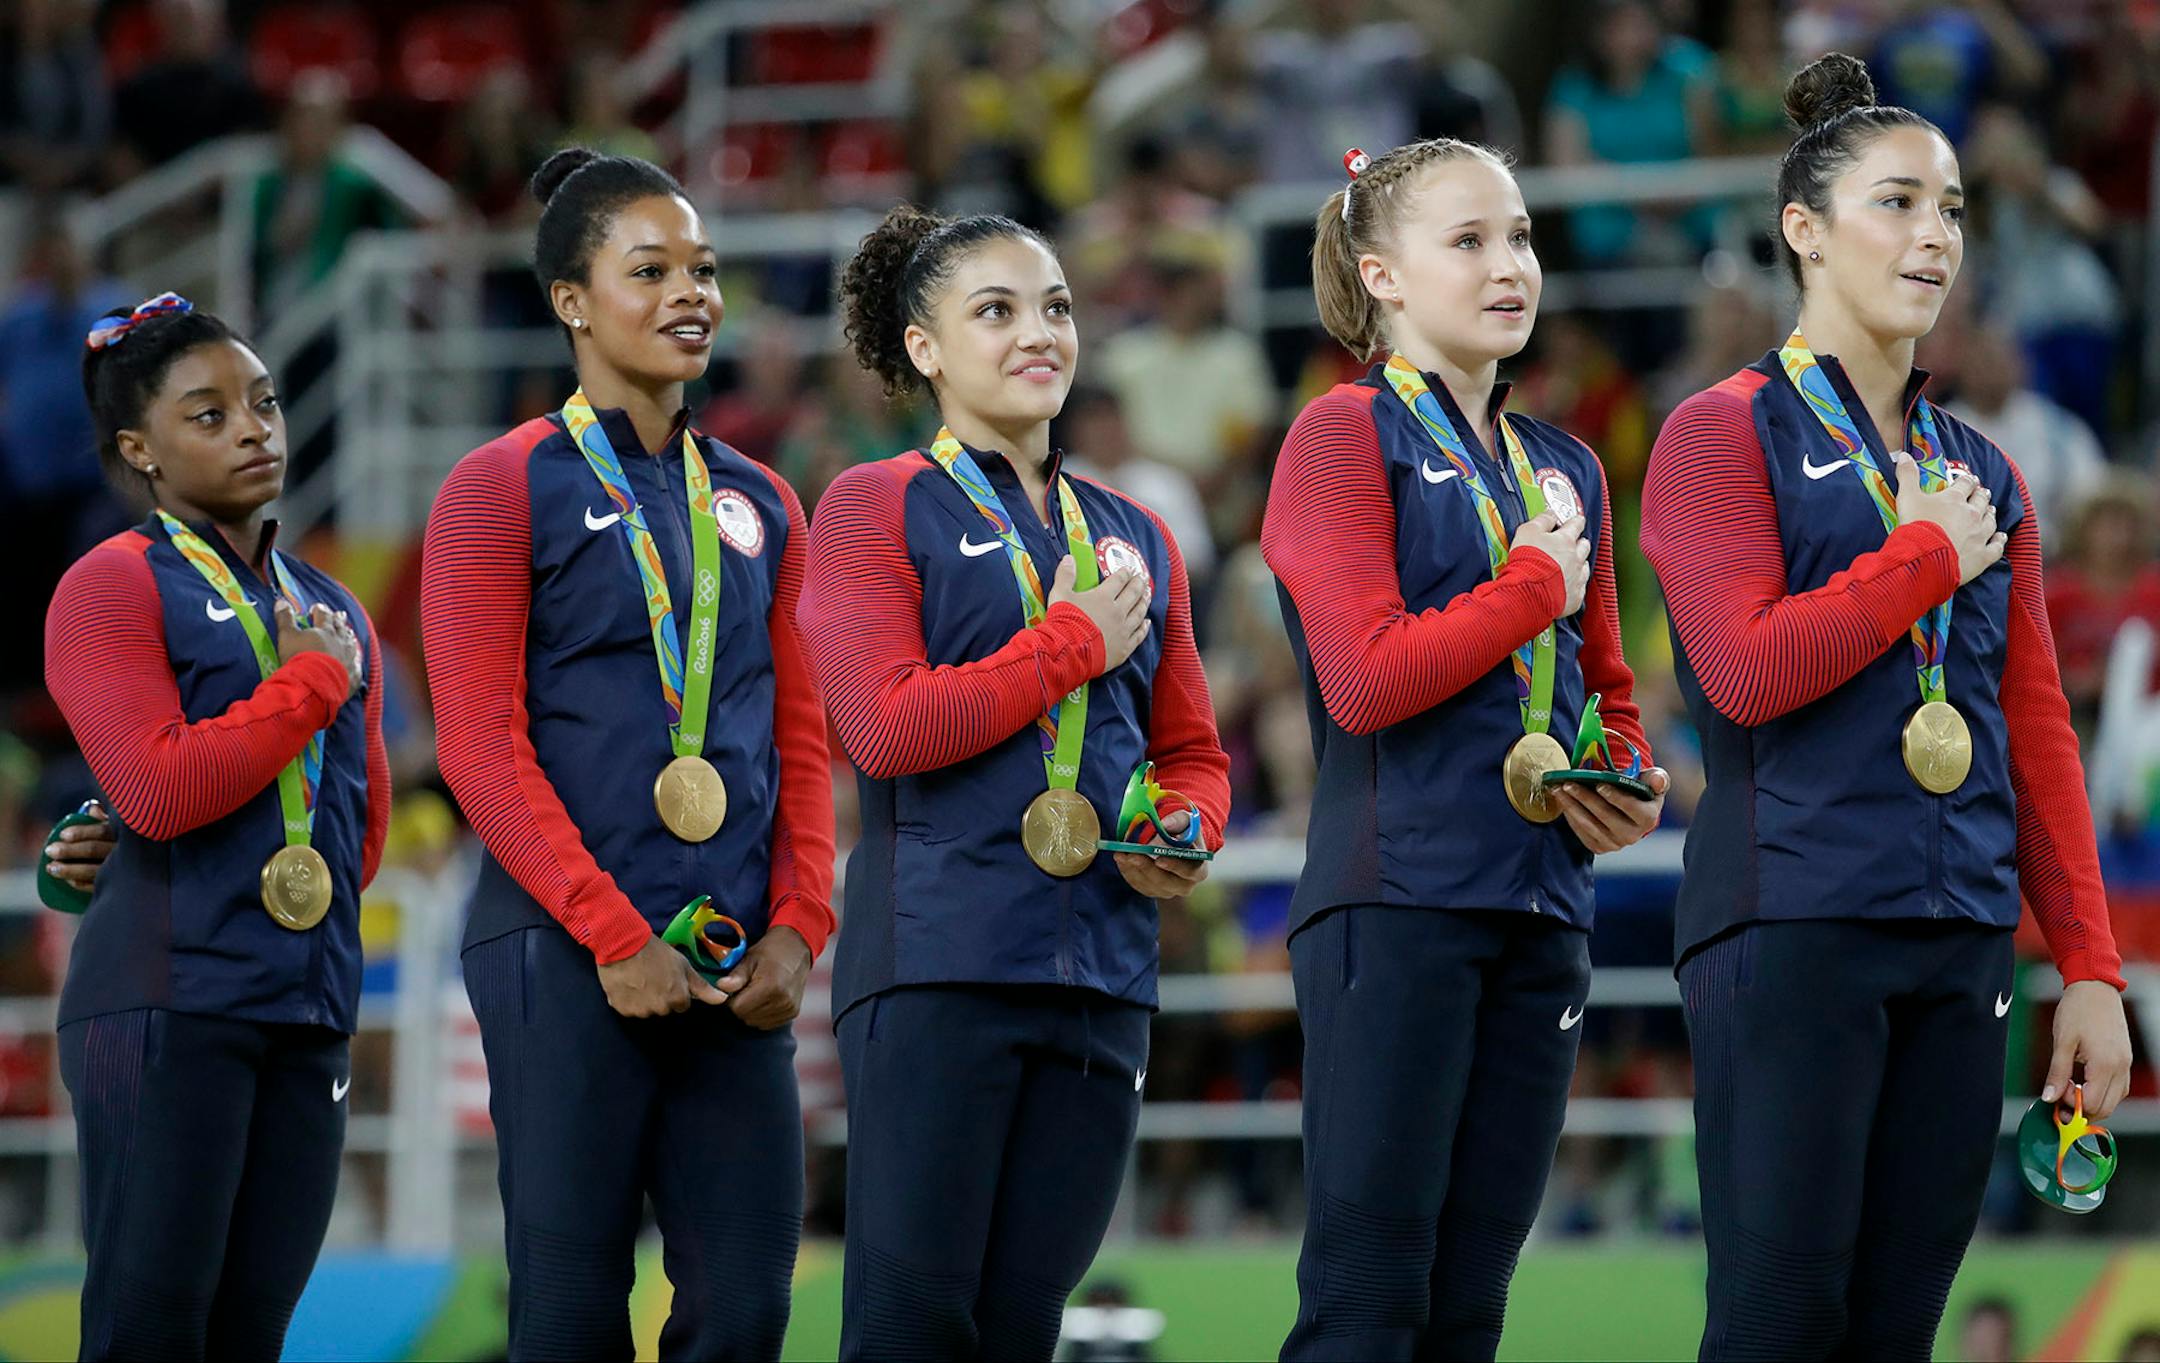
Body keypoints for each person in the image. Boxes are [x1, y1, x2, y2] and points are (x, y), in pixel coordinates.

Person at [1640, 54, 2132, 1361]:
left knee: (1894, 1332)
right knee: (1779, 1322)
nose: (1934, 237)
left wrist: (2086, 965)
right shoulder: (1716, 433)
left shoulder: (1982, 468)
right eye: (1897, 203)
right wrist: (1917, 558)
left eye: (1954, 208)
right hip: (1790, 920)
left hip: (1961, 936)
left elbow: (2037, 729)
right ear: (1804, 228)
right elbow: (1743, 674)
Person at [420, 148, 834, 1360]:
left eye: (703, 270)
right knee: (568, 1307)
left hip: (732, 951)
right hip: (562, 946)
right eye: (648, 270)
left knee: (748, 1305)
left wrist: (803, 922)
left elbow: (796, 738)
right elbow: (477, 743)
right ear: (569, 301)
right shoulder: (496, 487)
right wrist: (610, 933)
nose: (691, 293)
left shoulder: (765, 498)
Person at [801, 203, 1231, 1361]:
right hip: (941, 965)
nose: (1039, 332)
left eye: (1055, 307)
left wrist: (1184, 826)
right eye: (995, 311)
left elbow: (1191, 749)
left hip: (1102, 970)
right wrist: (1066, 646)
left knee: (1022, 1328)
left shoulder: (1134, 527)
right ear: (925, 347)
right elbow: (882, 727)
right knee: (909, 1326)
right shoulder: (871, 504)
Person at [1261, 138, 1664, 1361]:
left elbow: (1606, 690)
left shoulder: (1567, 464)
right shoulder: (1340, 436)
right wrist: (1532, 580)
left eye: (1524, 237)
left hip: (1542, 905)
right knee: (1370, 1295)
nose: (1511, 267)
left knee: (1471, 1300)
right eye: (1470, 241)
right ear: (1380, 275)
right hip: (1398, 897)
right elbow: (1367, 678)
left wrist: (1627, 777)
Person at [43, 292, 387, 1359]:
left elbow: (356, 835)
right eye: (210, 414)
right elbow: (155, 793)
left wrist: (314, 684)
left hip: (307, 998)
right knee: (149, 1334)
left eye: (266, 402)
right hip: (165, 999)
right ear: (138, 449)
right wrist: (308, 688)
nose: (254, 427)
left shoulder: (329, 601)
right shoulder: (108, 584)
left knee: (250, 1338)